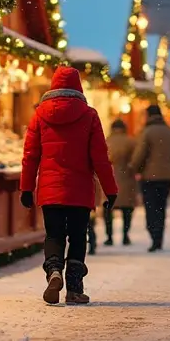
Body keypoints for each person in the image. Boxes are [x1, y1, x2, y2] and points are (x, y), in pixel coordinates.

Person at [20, 66, 118, 305]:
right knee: (77, 236)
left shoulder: (39, 114)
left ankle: (54, 271)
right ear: (78, 86)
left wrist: (26, 188)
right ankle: (74, 288)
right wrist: (110, 189)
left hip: (50, 189)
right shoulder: (89, 115)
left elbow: (30, 154)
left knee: (54, 234)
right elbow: (100, 158)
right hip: (79, 189)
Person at [130, 105, 170, 252]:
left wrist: (134, 168)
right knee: (161, 207)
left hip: (149, 177)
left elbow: (140, 154)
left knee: (151, 207)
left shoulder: (147, 132)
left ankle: (154, 235)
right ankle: (159, 236)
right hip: (167, 177)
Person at [104, 119, 137, 246]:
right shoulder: (131, 141)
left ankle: (109, 237)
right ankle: (125, 235)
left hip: (109, 179)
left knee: (108, 209)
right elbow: (136, 160)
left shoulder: (106, 141)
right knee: (127, 210)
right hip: (126, 178)